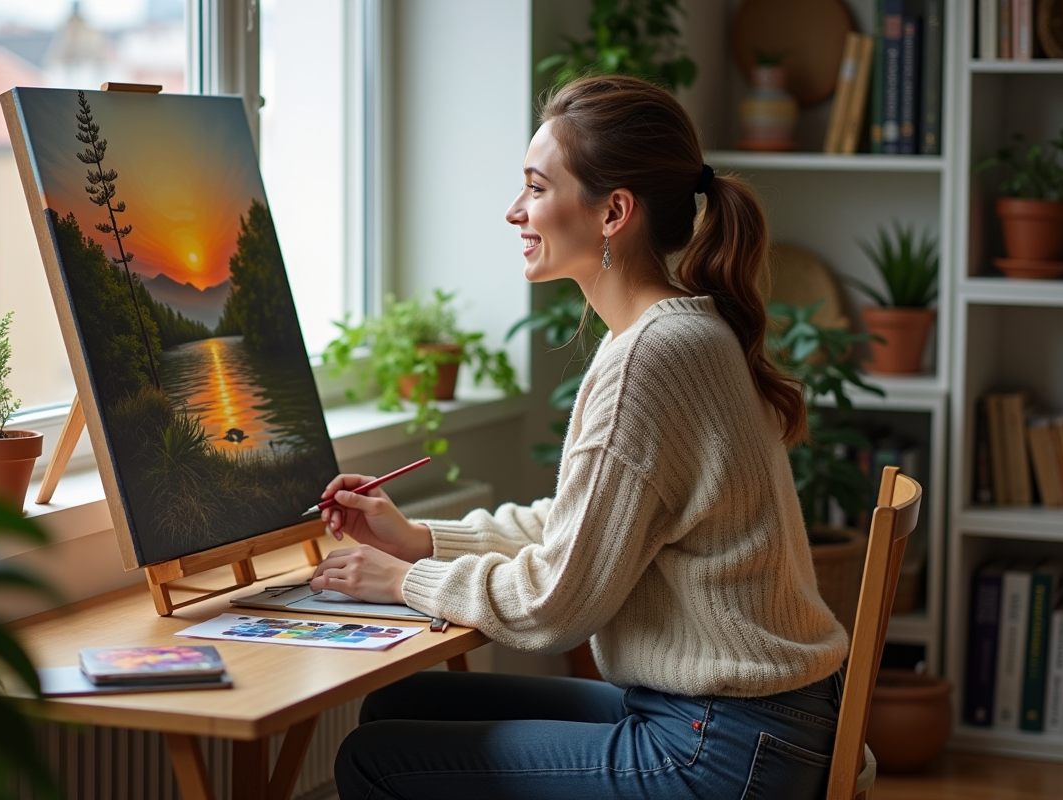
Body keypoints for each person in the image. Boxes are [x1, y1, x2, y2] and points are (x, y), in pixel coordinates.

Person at [309, 74, 849, 800]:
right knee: (398, 707)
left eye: (535, 187)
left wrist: (406, 583)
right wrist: (420, 541)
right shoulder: (678, 329)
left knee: (374, 759)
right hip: (747, 724)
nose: (513, 212)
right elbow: (583, 525)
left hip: (723, 748)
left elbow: (556, 604)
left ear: (613, 212)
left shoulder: (651, 356)